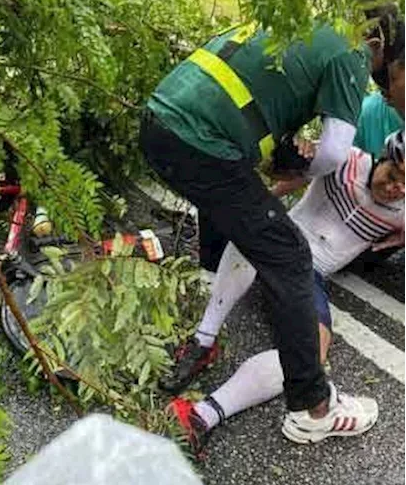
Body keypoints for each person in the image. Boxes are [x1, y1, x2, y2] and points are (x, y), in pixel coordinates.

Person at [141, 14, 397, 443]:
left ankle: (203, 346)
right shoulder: (352, 53)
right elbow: (334, 152)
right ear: (381, 44)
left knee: (258, 233)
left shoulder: (303, 23)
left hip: (162, 121)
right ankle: (314, 408)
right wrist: (292, 167)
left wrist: (281, 155)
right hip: (202, 142)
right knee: (289, 255)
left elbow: (262, 101)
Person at [168, 131, 406, 451]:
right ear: (383, 158)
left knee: (313, 355)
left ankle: (201, 415)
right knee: (257, 227)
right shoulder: (345, 159)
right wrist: (293, 161)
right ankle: (203, 340)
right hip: (283, 239)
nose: (397, 189)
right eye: (395, 176)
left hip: (311, 275)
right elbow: (283, 179)